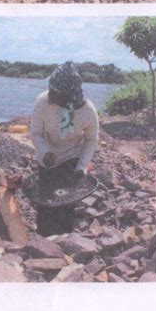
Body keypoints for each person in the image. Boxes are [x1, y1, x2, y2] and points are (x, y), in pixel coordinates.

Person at [30, 61, 99, 237]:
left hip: (72, 159)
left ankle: (66, 241)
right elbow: (36, 133)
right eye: (49, 89)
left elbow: (91, 139)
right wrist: (44, 153)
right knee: (46, 203)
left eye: (54, 92)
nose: (49, 95)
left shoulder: (88, 111)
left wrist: (81, 167)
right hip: (46, 158)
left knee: (66, 203)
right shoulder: (42, 102)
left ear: (67, 94)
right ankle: (43, 243)